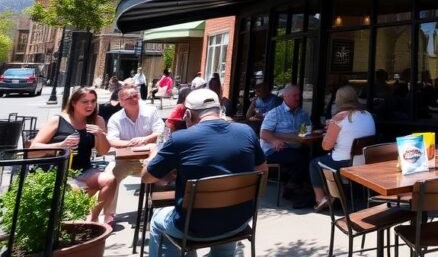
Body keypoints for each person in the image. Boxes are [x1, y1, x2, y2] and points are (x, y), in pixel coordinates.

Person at [142, 88, 267, 257]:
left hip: (192, 228)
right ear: (218, 110)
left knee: (157, 218)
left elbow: (147, 177)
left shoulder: (180, 139)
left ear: (188, 114)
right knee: (225, 215)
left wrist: (153, 154)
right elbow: (262, 171)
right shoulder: (246, 132)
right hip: (239, 222)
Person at [31, 87, 115, 224]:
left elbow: (103, 151)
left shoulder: (97, 121)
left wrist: (101, 135)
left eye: (93, 101)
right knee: (74, 194)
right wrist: (60, 145)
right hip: (58, 172)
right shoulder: (58, 120)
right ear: (73, 103)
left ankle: (92, 219)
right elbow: (34, 148)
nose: (90, 105)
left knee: (110, 180)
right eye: (85, 102)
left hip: (84, 171)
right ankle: (67, 223)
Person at [307, 85, 375, 211]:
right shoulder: (368, 115)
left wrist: (329, 132)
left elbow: (326, 146)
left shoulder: (339, 118)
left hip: (344, 161)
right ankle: (337, 193)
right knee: (325, 160)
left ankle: (321, 198)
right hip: (364, 160)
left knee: (314, 163)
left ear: (339, 100)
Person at [103, 84, 165, 217]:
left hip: (149, 158)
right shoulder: (116, 118)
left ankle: (155, 211)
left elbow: (160, 131)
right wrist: (130, 143)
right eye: (128, 97)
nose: (132, 99)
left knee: (163, 174)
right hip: (125, 160)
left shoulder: (150, 111)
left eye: (135, 96)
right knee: (110, 176)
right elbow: (111, 140)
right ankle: (109, 215)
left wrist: (144, 139)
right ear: (121, 102)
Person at [260, 84, 311, 207]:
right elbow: (264, 132)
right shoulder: (275, 113)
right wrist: (274, 141)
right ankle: (293, 189)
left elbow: (304, 133)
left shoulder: (302, 114)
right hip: (274, 150)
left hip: (294, 148)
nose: (298, 98)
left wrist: (305, 135)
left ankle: (295, 188)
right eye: (295, 95)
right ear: (285, 97)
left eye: (299, 95)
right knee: (301, 159)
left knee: (309, 157)